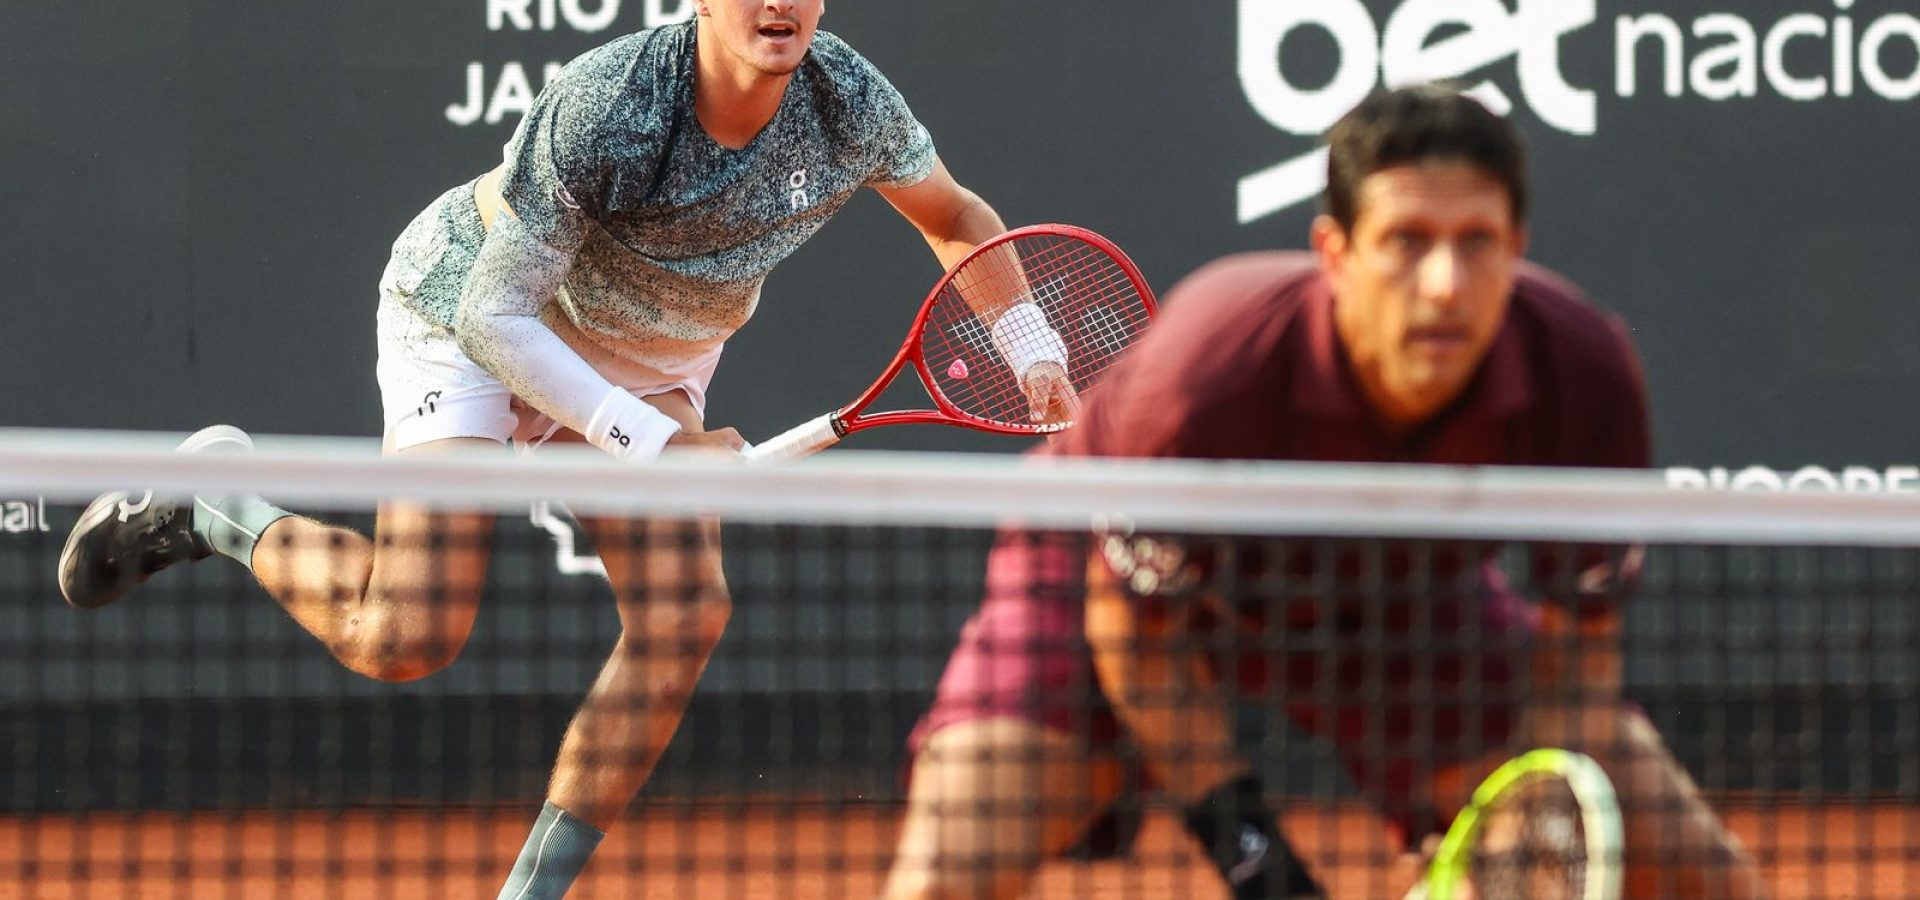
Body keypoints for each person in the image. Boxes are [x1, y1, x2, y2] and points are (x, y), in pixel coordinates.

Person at [55, 3, 1074, 898]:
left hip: (651, 352)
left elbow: (957, 219)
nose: (780, 1)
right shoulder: (616, 102)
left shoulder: (847, 96)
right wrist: (651, 445)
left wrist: (1032, 350)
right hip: (478, 316)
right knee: (404, 636)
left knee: (685, 615)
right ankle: (219, 504)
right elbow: (496, 318)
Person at [885, 85, 1765, 899]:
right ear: (1335, 253)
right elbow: (1137, 636)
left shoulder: (1583, 374)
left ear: (1517, 246)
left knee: (1700, 870)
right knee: (950, 868)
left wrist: (1530, 801)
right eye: (1407, 241)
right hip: (1102, 583)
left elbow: (1581, 656)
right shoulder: (1211, 377)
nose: (1445, 285)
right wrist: (1258, 860)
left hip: (1399, 605)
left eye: (1477, 242)